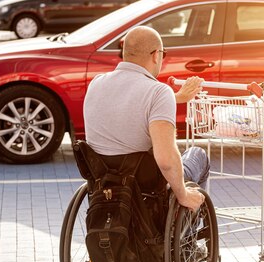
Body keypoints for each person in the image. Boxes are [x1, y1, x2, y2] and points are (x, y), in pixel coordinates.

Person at [83, 26, 209, 212]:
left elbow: (129, 105)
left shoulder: (97, 83)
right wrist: (183, 195)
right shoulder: (158, 91)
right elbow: (166, 161)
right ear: (156, 55)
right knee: (198, 155)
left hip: (104, 179)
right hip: (144, 183)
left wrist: (176, 98)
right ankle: (191, 225)